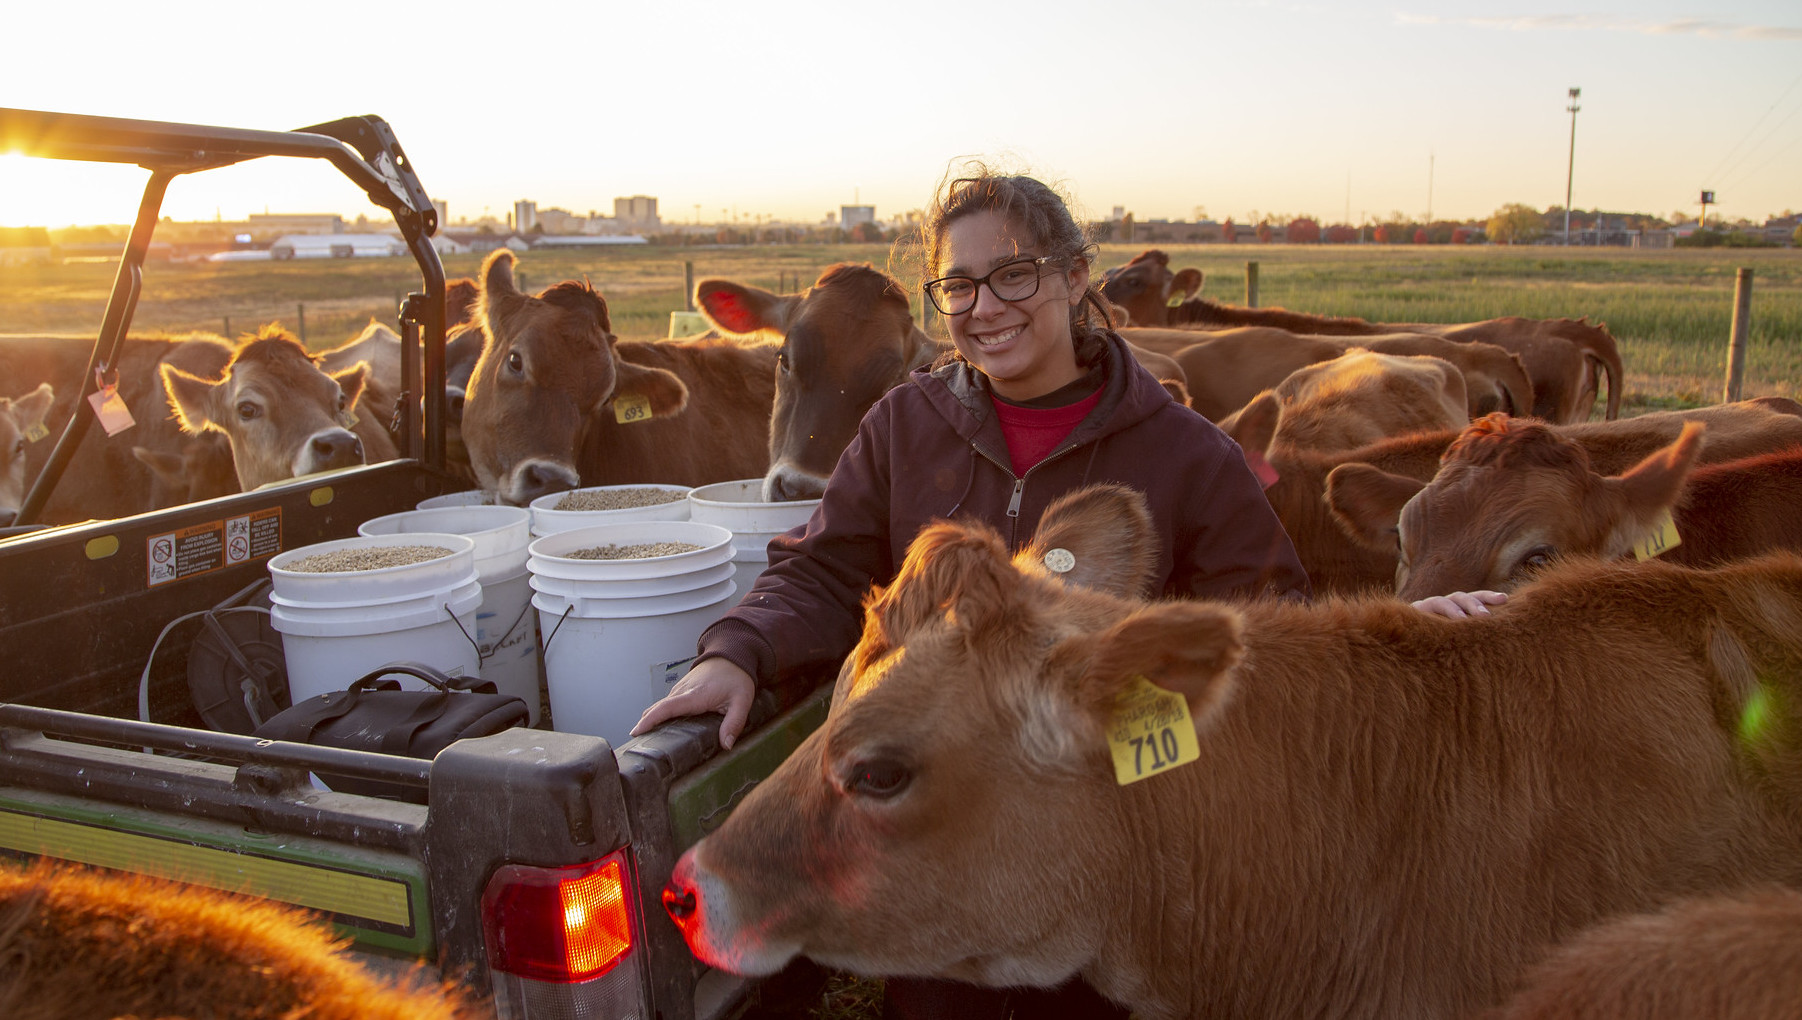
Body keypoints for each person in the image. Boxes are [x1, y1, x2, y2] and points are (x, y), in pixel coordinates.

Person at [633, 166, 1310, 1019]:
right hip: (933, 851)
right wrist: (738, 650)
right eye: (958, 285)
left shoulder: (1187, 454)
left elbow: (1268, 626)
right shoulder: (903, 427)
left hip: (1103, 864)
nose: (985, 307)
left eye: (1014, 275)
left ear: (1074, 277)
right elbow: (824, 565)